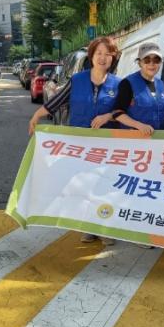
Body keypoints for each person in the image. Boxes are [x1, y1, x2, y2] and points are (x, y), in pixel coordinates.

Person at [28, 36, 121, 246]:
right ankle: (88, 227)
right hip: (81, 146)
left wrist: (108, 116)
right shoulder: (77, 80)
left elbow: (123, 111)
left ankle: (104, 227)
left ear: (113, 58)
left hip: (108, 147)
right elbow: (56, 102)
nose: (103, 58)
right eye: (99, 53)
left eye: (108, 54)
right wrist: (36, 116)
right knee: (84, 185)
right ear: (92, 56)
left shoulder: (118, 83)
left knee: (103, 185)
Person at [112, 42, 164, 133]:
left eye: (156, 60)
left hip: (158, 139)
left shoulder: (161, 85)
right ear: (139, 63)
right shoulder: (127, 83)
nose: (152, 64)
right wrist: (139, 125)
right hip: (135, 139)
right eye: (147, 60)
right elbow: (117, 113)